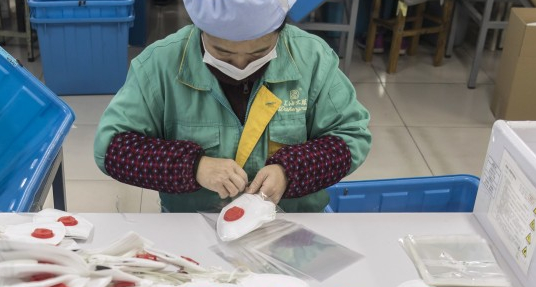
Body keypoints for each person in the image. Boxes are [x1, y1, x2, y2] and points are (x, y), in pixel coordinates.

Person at [93, 0, 372, 213]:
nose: (240, 64)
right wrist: (192, 167)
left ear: (281, 28)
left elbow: (352, 136)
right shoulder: (161, 64)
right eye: (222, 52)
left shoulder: (312, 59)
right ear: (200, 30)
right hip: (194, 228)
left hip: (292, 225)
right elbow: (112, 148)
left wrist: (292, 171)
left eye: (258, 52)